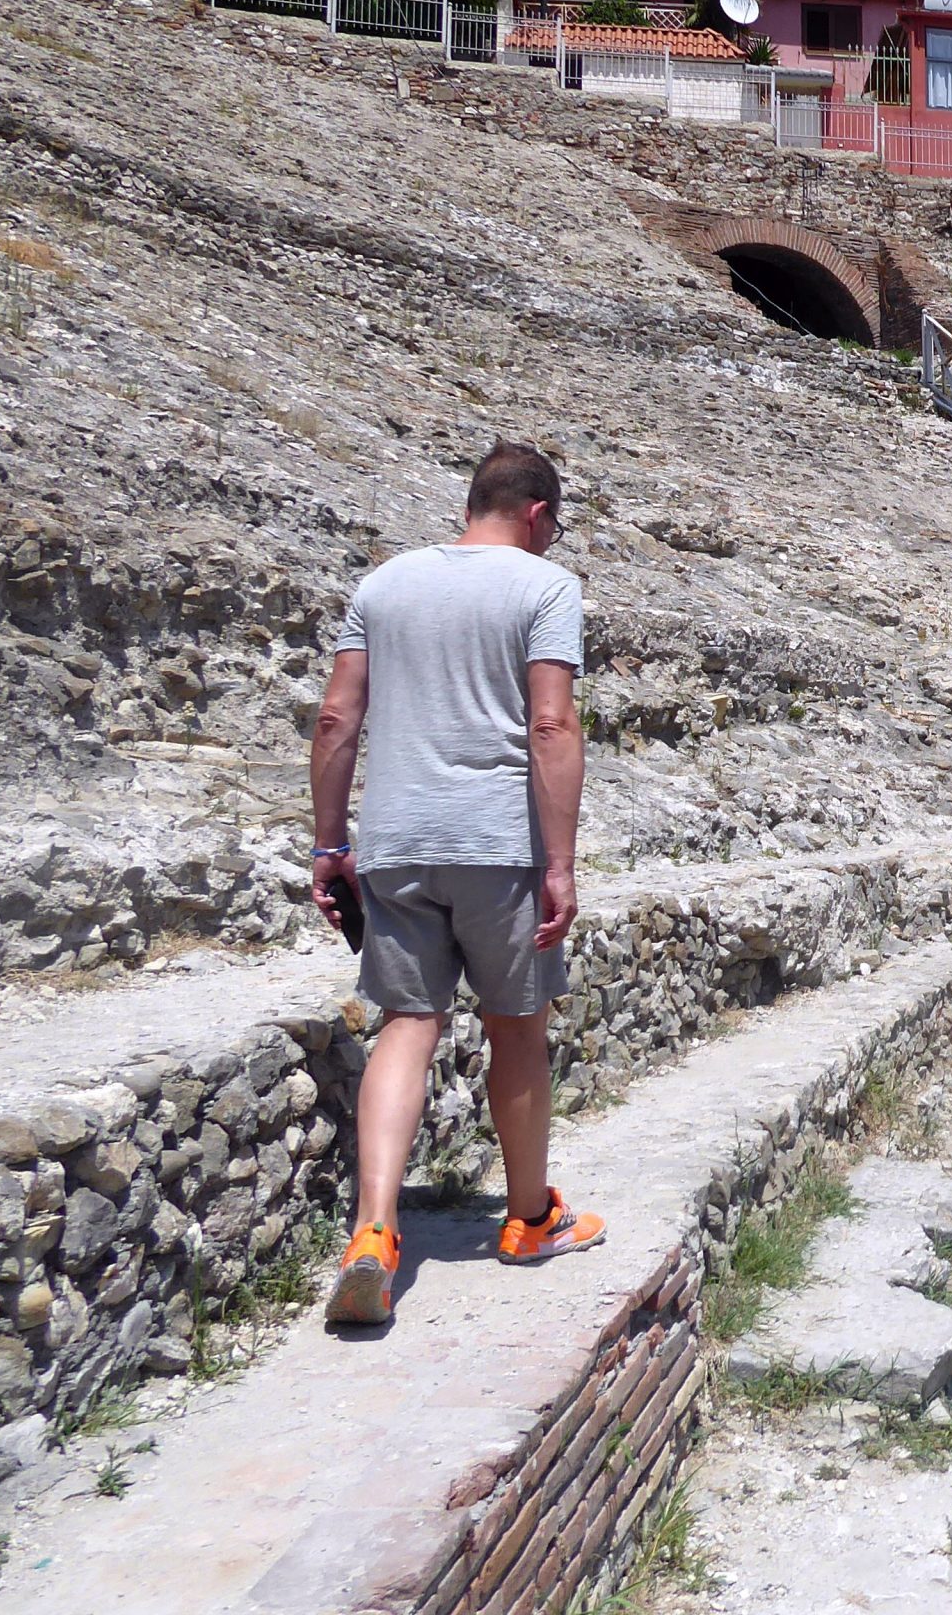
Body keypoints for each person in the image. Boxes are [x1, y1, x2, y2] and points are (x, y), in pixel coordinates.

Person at [307, 440, 604, 1326]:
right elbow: (550, 726)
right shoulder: (543, 588)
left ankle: (373, 1232)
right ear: (540, 515)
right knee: (516, 1028)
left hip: (396, 842)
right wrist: (559, 863)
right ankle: (526, 1219)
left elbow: (335, 716)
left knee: (409, 1023)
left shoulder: (383, 585)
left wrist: (330, 846)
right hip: (497, 845)